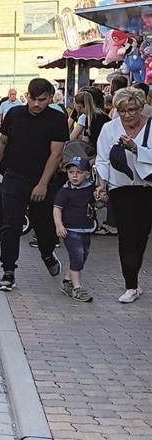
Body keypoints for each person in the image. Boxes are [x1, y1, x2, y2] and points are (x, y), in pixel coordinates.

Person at [0, 78, 68, 291]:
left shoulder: (57, 119)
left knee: (45, 227)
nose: (36, 104)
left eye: (41, 100)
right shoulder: (14, 114)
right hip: (14, 177)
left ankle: (47, 253)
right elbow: (2, 143)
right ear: (27, 96)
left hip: (43, 180)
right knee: (10, 224)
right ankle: (8, 271)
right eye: (32, 99)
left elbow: (56, 154)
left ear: (50, 97)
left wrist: (42, 184)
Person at [94, 87, 152, 303]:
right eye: (122, 111)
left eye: (132, 110)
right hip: (121, 189)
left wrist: (136, 148)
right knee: (127, 236)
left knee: (142, 235)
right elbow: (102, 159)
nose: (128, 115)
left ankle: (134, 275)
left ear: (140, 107)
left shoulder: (151, 127)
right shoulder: (110, 129)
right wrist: (101, 185)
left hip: (147, 188)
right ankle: (131, 285)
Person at [53, 155, 95, 303]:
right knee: (76, 256)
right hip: (70, 230)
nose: (75, 176)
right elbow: (57, 208)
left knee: (82, 256)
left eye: (79, 172)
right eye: (71, 172)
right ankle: (77, 288)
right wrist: (59, 225)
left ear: (87, 174)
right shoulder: (65, 191)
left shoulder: (90, 188)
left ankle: (67, 281)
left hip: (86, 229)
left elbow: (97, 203)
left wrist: (101, 197)